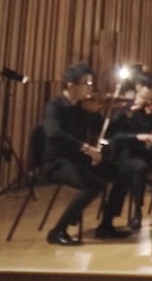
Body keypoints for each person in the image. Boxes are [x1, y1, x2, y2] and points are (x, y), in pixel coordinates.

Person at [37, 62, 132, 245]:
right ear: (71, 86)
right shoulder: (55, 106)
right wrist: (86, 148)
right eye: (86, 84)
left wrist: (123, 114)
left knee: (122, 173)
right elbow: (53, 133)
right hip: (56, 162)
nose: (91, 88)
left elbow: (106, 129)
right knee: (93, 186)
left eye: (91, 83)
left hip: (78, 159)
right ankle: (58, 231)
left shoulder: (84, 108)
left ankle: (106, 225)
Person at [105, 71, 152, 231]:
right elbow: (114, 135)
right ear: (139, 87)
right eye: (151, 89)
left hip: (149, 154)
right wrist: (137, 136)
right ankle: (137, 212)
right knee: (139, 168)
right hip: (128, 154)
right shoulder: (124, 111)